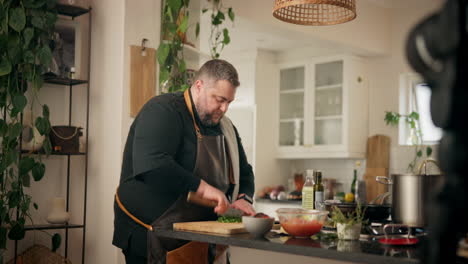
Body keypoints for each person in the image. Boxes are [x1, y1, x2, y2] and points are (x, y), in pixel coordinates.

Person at [113, 59, 256, 264]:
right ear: (199, 86)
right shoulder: (163, 110)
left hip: (203, 237)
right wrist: (204, 189)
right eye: (219, 99)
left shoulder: (226, 127)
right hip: (149, 232)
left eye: (229, 102)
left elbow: (244, 171)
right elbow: (154, 165)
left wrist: (244, 198)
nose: (224, 108)